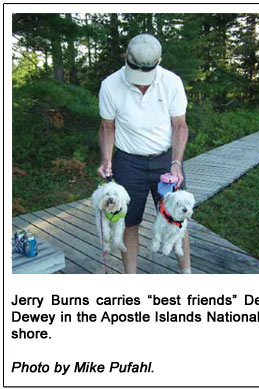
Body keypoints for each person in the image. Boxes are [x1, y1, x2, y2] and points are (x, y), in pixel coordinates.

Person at [97, 33, 191, 274]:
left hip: (165, 161)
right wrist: (106, 159)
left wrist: (177, 163)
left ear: (158, 61)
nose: (141, 83)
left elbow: (179, 125)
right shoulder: (110, 85)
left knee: (178, 219)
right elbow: (108, 126)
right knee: (129, 223)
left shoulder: (171, 82)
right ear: (126, 57)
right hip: (128, 162)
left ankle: (187, 274)